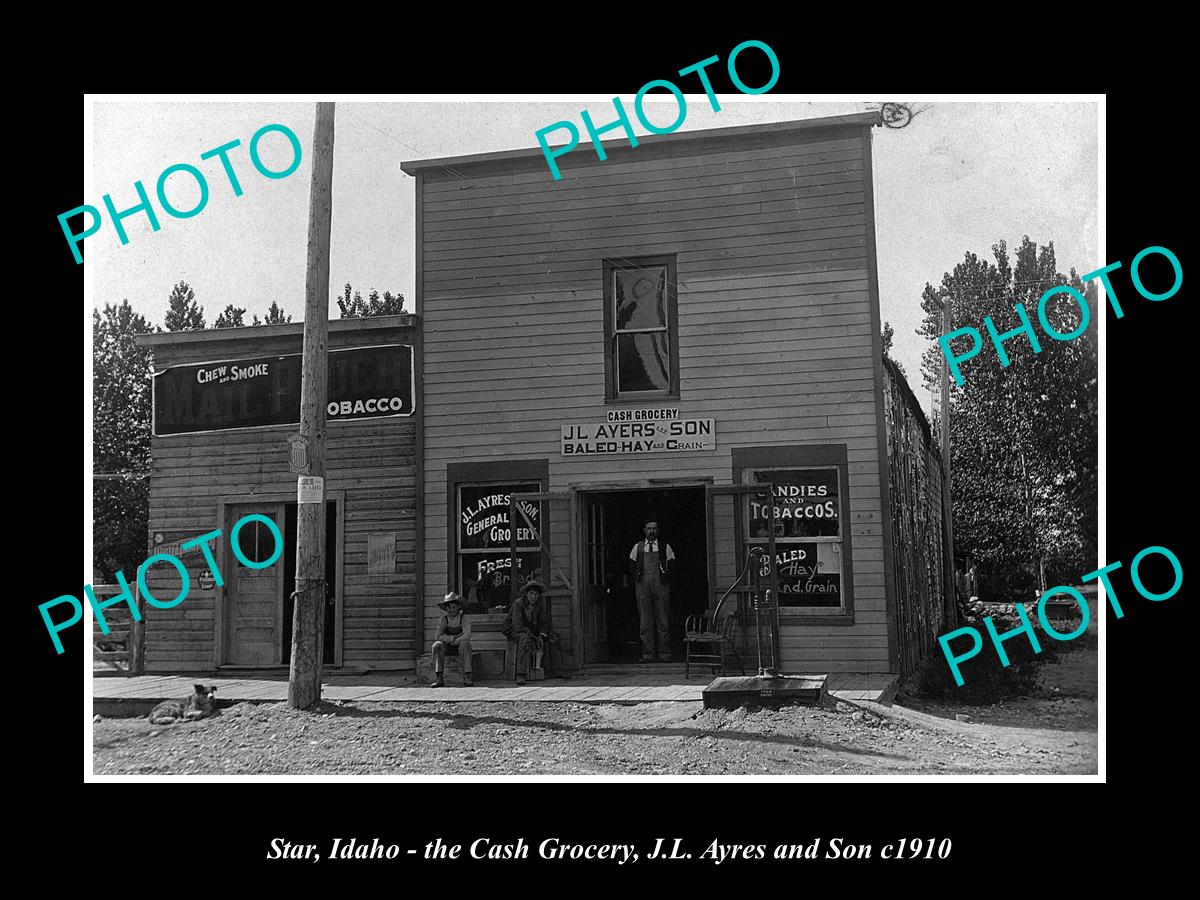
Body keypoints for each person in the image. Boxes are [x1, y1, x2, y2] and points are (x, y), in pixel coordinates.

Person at [628, 519, 675, 662]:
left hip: (660, 587)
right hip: (643, 588)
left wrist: (665, 578)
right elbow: (631, 566)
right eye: (649, 528)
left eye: (654, 528)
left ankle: (664, 654)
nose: (652, 531)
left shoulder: (665, 547)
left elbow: (672, 566)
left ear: (658, 530)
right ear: (644, 530)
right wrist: (638, 580)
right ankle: (648, 654)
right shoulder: (638, 547)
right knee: (645, 622)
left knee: (662, 621)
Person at [503, 580, 548, 686]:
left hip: (531, 631)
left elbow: (544, 622)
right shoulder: (518, 604)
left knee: (554, 637)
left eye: (536, 594)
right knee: (524, 639)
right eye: (531, 593)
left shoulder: (539, 605)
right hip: (513, 630)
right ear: (526, 594)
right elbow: (517, 625)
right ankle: (520, 674)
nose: (534, 596)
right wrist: (532, 635)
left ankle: (552, 670)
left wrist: (541, 635)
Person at [430, 592, 473, 687]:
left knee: (466, 644)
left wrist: (457, 641)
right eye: (448, 607)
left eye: (453, 607)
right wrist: (451, 638)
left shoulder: (464, 618)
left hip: (461, 646)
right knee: (436, 645)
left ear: (458, 607)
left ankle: (467, 676)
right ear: (446, 608)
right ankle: (439, 677)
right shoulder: (443, 619)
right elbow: (438, 636)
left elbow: (467, 635)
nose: (451, 610)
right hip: (447, 647)